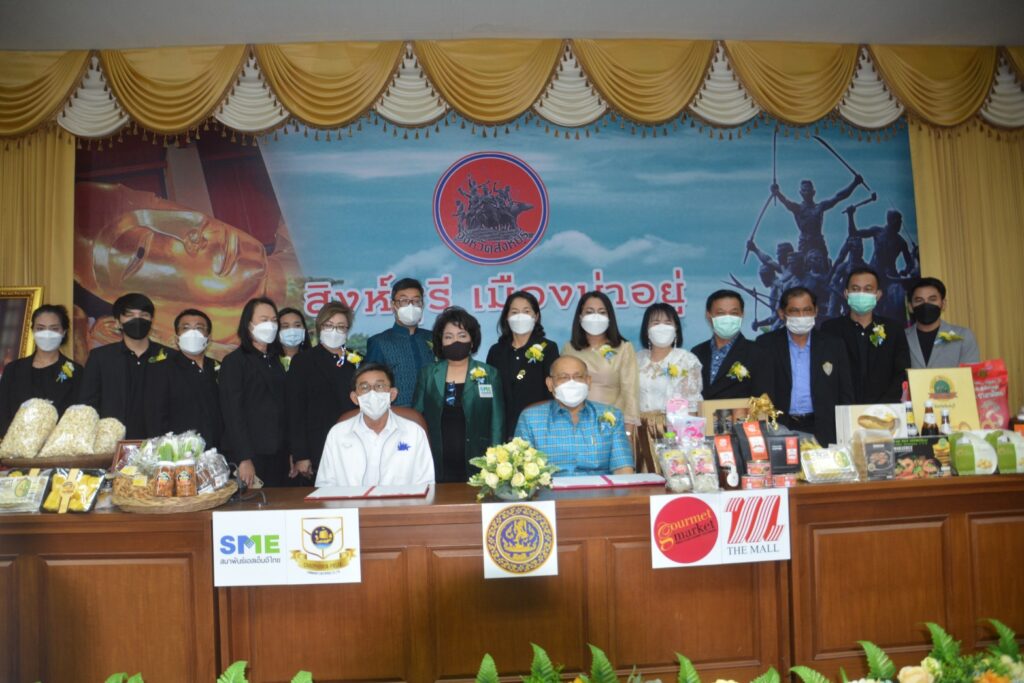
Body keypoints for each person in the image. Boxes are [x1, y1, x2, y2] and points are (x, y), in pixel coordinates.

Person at [413, 307, 503, 484]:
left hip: (479, 457)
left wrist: (496, 460)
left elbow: (497, 422)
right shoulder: (428, 373)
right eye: (449, 337)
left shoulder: (489, 373)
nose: (455, 341)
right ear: (441, 342)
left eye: (462, 336)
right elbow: (417, 416)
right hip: (436, 458)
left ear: (472, 341)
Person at [757, 286, 853, 446]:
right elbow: (760, 391)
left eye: (807, 310)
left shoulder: (833, 345)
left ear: (816, 311)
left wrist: (844, 431)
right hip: (780, 427)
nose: (801, 316)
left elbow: (845, 392)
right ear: (782, 313)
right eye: (794, 311)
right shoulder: (766, 344)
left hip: (824, 428)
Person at [316, 363, 434, 487]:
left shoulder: (414, 432)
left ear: (392, 394)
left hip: (400, 500)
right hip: (351, 500)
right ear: (355, 398)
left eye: (379, 386)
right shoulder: (338, 434)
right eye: (365, 387)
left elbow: (426, 484)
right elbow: (325, 484)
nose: (372, 393)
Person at [514, 356, 634, 476]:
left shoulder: (611, 416)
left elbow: (623, 469)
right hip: (551, 487)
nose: (572, 383)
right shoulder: (530, 419)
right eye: (563, 377)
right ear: (550, 383)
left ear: (588, 381)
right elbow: (522, 472)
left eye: (578, 377)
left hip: (599, 486)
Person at [285, 301, 359, 482]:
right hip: (317, 447)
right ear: (319, 327)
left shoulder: (353, 362)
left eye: (340, 326)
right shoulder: (303, 361)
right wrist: (301, 455)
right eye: (329, 325)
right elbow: (295, 411)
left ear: (347, 330)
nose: (334, 331)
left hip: (352, 444)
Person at [79, 292, 170, 439]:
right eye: (130, 315)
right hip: (113, 444)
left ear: (152, 320)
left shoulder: (170, 357)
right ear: (118, 322)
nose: (137, 320)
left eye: (144, 315)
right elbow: (88, 405)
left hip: (160, 443)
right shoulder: (100, 358)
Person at [219, 297, 288, 488]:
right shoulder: (235, 362)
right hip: (251, 454)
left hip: (277, 452)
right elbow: (233, 413)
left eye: (274, 320)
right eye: (264, 320)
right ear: (248, 324)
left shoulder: (274, 361)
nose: (270, 325)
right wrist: (244, 458)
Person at [821, 267, 910, 404]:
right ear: (846, 294)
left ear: (878, 295)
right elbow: (825, 373)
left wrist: (882, 406)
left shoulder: (893, 329)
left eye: (868, 289)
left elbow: (902, 372)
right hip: (842, 409)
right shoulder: (831, 329)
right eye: (855, 289)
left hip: (885, 409)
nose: (861, 294)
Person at [634, 303, 702, 471]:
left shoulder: (687, 360)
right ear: (646, 329)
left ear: (676, 328)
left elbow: (692, 406)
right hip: (640, 430)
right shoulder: (636, 359)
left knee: (675, 476)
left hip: (672, 430)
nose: (662, 327)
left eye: (668, 322)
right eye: (655, 323)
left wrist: (689, 444)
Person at [485, 290, 560, 440]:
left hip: (538, 429)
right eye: (514, 312)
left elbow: (553, 392)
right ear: (506, 316)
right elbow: (490, 394)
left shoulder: (548, 348)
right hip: (504, 431)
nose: (520, 316)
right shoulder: (496, 351)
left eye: (526, 311)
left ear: (536, 316)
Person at [561, 291, 640, 432]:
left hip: (612, 424)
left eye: (602, 312)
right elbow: (561, 389)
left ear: (609, 317)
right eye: (589, 312)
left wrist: (627, 431)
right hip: (575, 424)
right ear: (580, 317)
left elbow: (629, 392)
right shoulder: (569, 348)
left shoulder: (624, 348)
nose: (595, 316)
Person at [0, 305, 82, 437]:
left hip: (59, 446)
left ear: (64, 332)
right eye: (40, 328)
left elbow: (79, 417)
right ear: (32, 330)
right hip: (17, 444)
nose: (47, 334)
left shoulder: (75, 371)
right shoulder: (13, 369)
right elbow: (2, 411)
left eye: (54, 329)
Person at [149, 308, 222, 447]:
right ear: (177, 337)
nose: (192, 333)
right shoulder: (162, 370)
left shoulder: (220, 368)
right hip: (180, 453)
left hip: (218, 451)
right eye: (186, 328)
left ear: (209, 337)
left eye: (199, 328)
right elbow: (156, 418)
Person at [691, 290, 774, 401]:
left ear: (742, 315)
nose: (727, 318)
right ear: (708, 315)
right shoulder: (697, 352)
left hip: (741, 413)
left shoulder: (758, 353)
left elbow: (763, 400)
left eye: (734, 313)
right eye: (720, 313)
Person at [365, 278, 434, 407]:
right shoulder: (379, 342)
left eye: (416, 301)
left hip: (433, 414)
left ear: (422, 305)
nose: (411, 306)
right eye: (404, 301)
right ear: (393, 305)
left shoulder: (433, 338)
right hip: (396, 414)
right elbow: (369, 384)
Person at [771, 176, 863, 260]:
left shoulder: (820, 207)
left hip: (819, 242)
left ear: (813, 192)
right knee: (803, 265)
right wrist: (777, 193)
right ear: (800, 193)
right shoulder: (797, 208)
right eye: (804, 190)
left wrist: (854, 183)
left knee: (825, 265)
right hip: (805, 243)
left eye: (808, 190)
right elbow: (785, 201)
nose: (807, 192)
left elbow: (839, 197)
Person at [905, 277, 981, 369]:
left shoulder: (963, 336)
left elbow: (971, 374)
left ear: (943, 304)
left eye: (932, 299)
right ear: (910, 306)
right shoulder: (902, 337)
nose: (926, 304)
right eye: (919, 300)